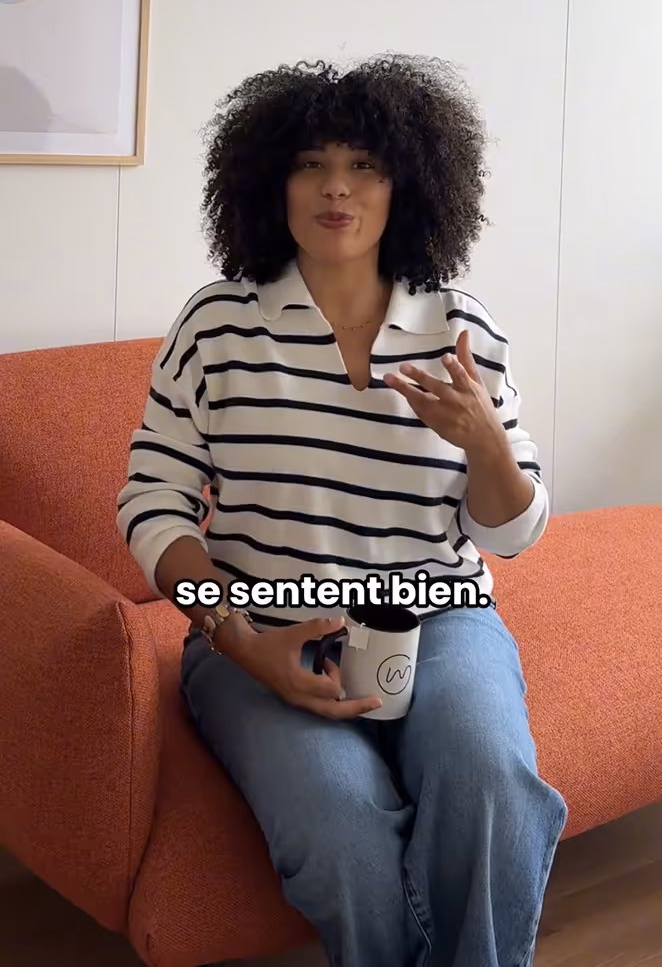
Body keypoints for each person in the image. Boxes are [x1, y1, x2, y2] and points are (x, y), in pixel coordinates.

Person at [117, 55, 567, 967]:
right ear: (269, 181)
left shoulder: (462, 330)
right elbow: (153, 500)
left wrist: (486, 443)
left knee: (492, 784)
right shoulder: (216, 327)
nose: (336, 187)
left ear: (409, 184)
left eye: (365, 165)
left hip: (439, 616)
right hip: (259, 624)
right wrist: (237, 636)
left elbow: (510, 533)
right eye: (310, 164)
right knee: (342, 828)